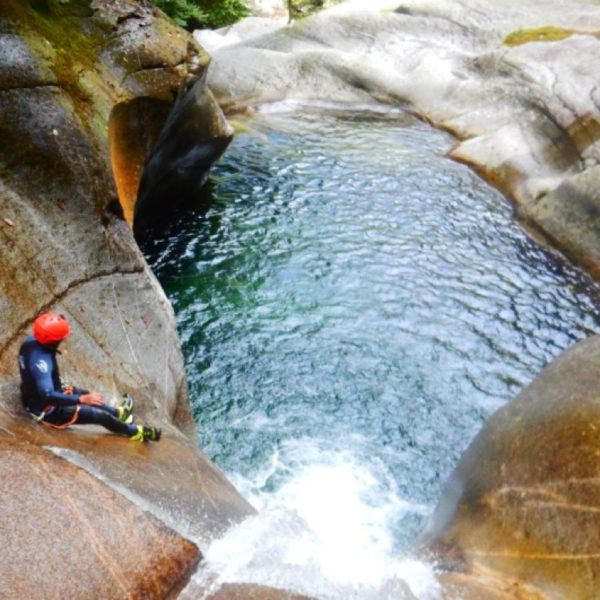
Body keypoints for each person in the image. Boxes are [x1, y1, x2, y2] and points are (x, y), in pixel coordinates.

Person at [18, 312, 161, 442]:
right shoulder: (42, 363)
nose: (67, 335)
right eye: (63, 334)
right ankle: (134, 432)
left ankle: (118, 414)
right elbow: (47, 395)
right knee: (98, 415)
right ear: (53, 340)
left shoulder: (32, 342)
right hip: (48, 409)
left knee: (87, 395)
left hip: (36, 393)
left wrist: (83, 396)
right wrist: (81, 400)